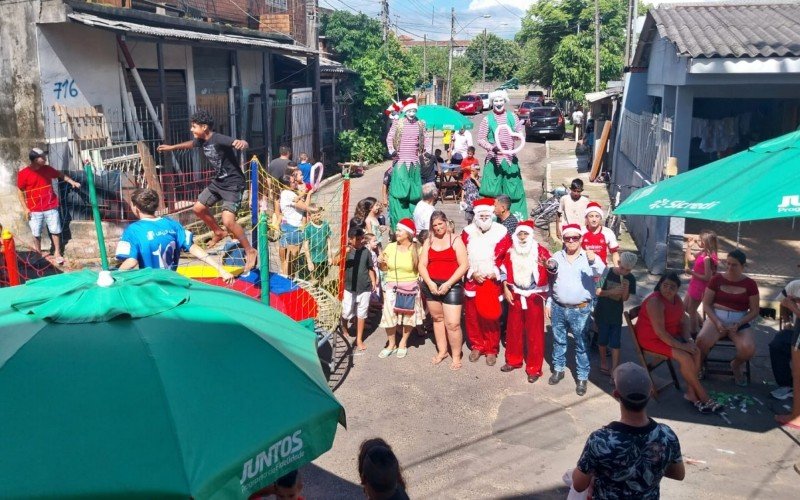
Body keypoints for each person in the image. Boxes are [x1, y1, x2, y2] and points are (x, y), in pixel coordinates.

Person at [156, 110, 257, 272]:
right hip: (218, 182)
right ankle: (218, 232)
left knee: (228, 221)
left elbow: (238, 142)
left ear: (204, 127)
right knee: (198, 208)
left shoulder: (218, 138)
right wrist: (172, 147)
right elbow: (191, 144)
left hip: (233, 184)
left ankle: (250, 250)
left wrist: (243, 143)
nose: (191, 129)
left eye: (194, 127)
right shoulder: (201, 140)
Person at [572, 362, 685, 499]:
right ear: (649, 393)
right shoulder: (666, 435)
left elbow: (578, 485)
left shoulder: (601, 440)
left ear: (616, 394)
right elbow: (678, 474)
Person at [635, 273, 721, 413]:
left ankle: (691, 393)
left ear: (677, 289)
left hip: (671, 336)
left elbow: (684, 321)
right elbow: (660, 333)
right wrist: (682, 346)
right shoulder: (655, 302)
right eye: (665, 285)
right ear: (660, 285)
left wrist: (689, 341)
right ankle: (703, 396)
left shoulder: (677, 300)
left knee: (696, 351)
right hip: (652, 339)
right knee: (685, 357)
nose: (668, 289)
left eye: (672, 287)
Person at [115, 188, 234, 284]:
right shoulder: (172, 224)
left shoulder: (133, 230)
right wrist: (221, 269)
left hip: (151, 285)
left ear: (135, 208)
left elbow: (131, 261)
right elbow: (193, 248)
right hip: (172, 282)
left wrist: (115, 276)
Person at [546, 224, 605, 396]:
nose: (571, 241)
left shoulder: (589, 256)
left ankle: (582, 376)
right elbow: (551, 282)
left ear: (581, 239)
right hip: (558, 306)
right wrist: (549, 302)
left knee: (581, 343)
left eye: (575, 238)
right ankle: (558, 368)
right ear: (563, 240)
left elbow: (602, 271)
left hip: (580, 309)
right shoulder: (556, 256)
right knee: (558, 340)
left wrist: (593, 259)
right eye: (567, 238)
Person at [696, 249, 760, 386]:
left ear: (743, 266)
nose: (730, 267)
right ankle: (700, 365)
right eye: (728, 264)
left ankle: (736, 364)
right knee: (701, 340)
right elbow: (706, 304)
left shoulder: (750, 284)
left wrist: (739, 323)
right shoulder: (716, 279)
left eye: (734, 265)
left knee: (749, 348)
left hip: (739, 321)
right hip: (716, 318)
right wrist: (717, 322)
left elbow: (755, 310)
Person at [461, 198, 512, 366]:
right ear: (475, 215)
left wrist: (496, 272)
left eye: (486, 214)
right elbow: (461, 257)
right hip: (473, 281)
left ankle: (491, 348)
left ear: (492, 214)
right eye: (480, 215)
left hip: (492, 281)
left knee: (491, 316)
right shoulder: (467, 232)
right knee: (472, 316)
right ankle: (477, 345)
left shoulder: (501, 231)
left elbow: (507, 257)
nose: (483, 217)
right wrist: (471, 272)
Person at [500, 220, 552, 382]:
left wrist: (549, 265)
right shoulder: (511, 252)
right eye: (520, 234)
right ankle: (514, 360)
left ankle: (534, 368)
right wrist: (505, 288)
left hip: (534, 296)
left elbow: (552, 268)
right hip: (515, 294)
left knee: (534, 333)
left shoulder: (540, 251)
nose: (522, 237)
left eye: (526, 234)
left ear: (531, 235)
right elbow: (503, 271)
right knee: (514, 330)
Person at [419, 211, 469, 370]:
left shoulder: (456, 240)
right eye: (435, 225)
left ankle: (456, 355)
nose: (438, 227)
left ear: (446, 222)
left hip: (452, 285)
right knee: (437, 319)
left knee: (453, 323)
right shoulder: (429, 241)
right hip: (432, 285)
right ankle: (442, 351)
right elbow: (421, 265)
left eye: (440, 224)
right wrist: (429, 282)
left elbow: (464, 265)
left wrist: (448, 283)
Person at [16, 148, 81, 265]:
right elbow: (20, 191)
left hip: (51, 205)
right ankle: (38, 254)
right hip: (34, 209)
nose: (45, 159)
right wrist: (25, 208)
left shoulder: (47, 169)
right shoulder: (23, 173)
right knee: (36, 233)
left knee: (55, 230)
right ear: (36, 160)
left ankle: (57, 252)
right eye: (43, 157)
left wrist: (72, 182)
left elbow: (60, 175)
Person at [377, 219, 424, 359]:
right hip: (392, 287)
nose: (396, 232)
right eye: (396, 230)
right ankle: (391, 344)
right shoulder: (390, 247)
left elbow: (421, 269)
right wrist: (381, 263)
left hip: (411, 289)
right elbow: (384, 269)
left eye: (399, 230)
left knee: (408, 318)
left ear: (408, 233)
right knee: (389, 317)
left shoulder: (417, 249)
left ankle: (403, 342)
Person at [477, 89, 527, 219]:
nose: (498, 103)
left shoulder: (512, 117)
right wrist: (491, 148)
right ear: (492, 103)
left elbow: (518, 136)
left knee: (514, 191)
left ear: (504, 102)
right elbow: (480, 139)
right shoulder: (487, 119)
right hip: (493, 161)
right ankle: (489, 219)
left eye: (501, 101)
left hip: (510, 158)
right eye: (496, 101)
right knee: (490, 191)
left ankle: (514, 219)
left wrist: (518, 133)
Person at [386, 97, 428, 226]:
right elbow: (390, 137)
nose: (412, 114)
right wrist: (392, 150)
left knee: (415, 192)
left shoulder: (420, 124)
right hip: (401, 161)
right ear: (405, 111)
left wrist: (426, 152)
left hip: (414, 162)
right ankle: (399, 219)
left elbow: (425, 140)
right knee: (400, 191)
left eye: (414, 111)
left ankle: (414, 219)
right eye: (409, 111)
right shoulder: (398, 123)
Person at [595, 252, 638, 377]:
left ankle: (615, 367)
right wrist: (612, 291)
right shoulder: (607, 272)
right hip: (602, 312)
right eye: (622, 268)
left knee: (615, 342)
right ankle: (603, 362)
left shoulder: (630, 278)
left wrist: (625, 289)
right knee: (602, 339)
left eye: (628, 270)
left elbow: (624, 299)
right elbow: (598, 291)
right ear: (618, 263)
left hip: (616, 314)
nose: (624, 272)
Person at [343, 227, 377, 352]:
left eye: (362, 238)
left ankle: (359, 339)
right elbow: (335, 262)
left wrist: (373, 280)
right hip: (349, 288)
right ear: (350, 239)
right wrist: (344, 253)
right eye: (358, 239)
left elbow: (370, 267)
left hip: (365, 288)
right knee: (346, 312)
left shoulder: (366, 252)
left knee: (361, 314)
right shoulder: (346, 252)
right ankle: (344, 327)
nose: (361, 241)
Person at [774, 280, 800, 429]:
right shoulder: (795, 285)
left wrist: (793, 307)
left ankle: (796, 416)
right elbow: (782, 300)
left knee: (797, 374)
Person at [684, 230, 719, 335]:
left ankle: (693, 333)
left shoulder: (707, 258)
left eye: (700, 240)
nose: (698, 241)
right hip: (694, 284)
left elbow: (707, 277)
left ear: (706, 242)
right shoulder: (703, 252)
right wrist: (689, 246)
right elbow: (690, 258)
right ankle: (701, 325)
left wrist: (692, 273)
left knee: (692, 310)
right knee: (686, 307)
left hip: (700, 287)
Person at [279, 167, 313, 275]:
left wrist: (304, 194)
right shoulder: (289, 194)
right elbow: (305, 207)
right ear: (286, 184)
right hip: (294, 228)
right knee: (292, 261)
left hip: (286, 226)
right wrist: (309, 194)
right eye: (293, 182)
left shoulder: (284, 193)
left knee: (285, 261)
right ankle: (289, 283)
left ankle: (285, 279)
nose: (295, 183)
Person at [301, 204, 334, 285]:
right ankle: (315, 289)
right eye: (314, 215)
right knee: (314, 278)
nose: (317, 217)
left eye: (318, 214)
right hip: (313, 257)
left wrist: (329, 256)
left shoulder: (325, 225)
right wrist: (309, 261)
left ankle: (321, 286)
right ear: (309, 216)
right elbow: (306, 246)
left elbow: (328, 240)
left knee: (322, 276)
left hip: (324, 256)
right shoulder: (308, 228)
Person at [582, 202, 619, 267]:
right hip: (583, 269)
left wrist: (618, 269)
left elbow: (614, 253)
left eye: (597, 216)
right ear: (586, 218)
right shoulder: (581, 231)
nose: (594, 219)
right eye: (591, 216)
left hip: (601, 270)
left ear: (601, 218)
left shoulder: (608, 232)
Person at [460, 159, 481, 225]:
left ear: (477, 171)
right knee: (469, 220)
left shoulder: (480, 179)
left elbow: (481, 187)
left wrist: (474, 179)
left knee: (477, 219)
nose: (471, 172)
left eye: (473, 171)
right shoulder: (468, 179)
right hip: (469, 203)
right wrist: (462, 199)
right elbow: (464, 189)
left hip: (477, 203)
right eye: (471, 171)